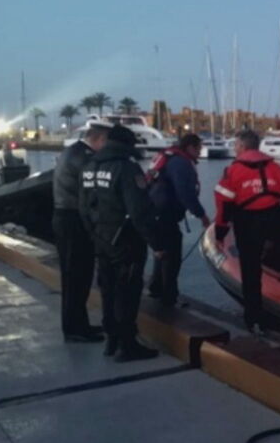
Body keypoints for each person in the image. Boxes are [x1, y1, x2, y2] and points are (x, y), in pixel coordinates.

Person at [79, 124, 165, 361]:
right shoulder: (126, 168)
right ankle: (128, 345)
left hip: (101, 238)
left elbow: (83, 207)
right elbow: (139, 211)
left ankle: (112, 339)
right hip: (125, 240)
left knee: (107, 289)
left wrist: (93, 233)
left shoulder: (89, 166)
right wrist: (156, 243)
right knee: (127, 290)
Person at [214, 129, 280, 332]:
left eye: (235, 145)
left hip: (247, 222)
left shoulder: (233, 171)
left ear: (241, 147)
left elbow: (223, 203)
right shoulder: (276, 168)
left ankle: (253, 317)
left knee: (250, 270)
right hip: (274, 219)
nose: (234, 149)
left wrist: (220, 233)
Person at [53, 121, 110, 342]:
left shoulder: (72, 152)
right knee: (77, 276)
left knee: (76, 276)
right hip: (72, 220)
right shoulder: (83, 158)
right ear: (99, 139)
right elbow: (91, 191)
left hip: (66, 218)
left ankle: (78, 323)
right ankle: (75, 328)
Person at [146, 133, 211, 306]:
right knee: (172, 257)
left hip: (156, 212)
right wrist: (202, 215)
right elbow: (185, 193)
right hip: (165, 214)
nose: (200, 152)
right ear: (190, 147)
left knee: (162, 253)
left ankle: (156, 288)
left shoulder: (171, 159)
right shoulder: (180, 163)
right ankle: (169, 297)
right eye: (198, 148)